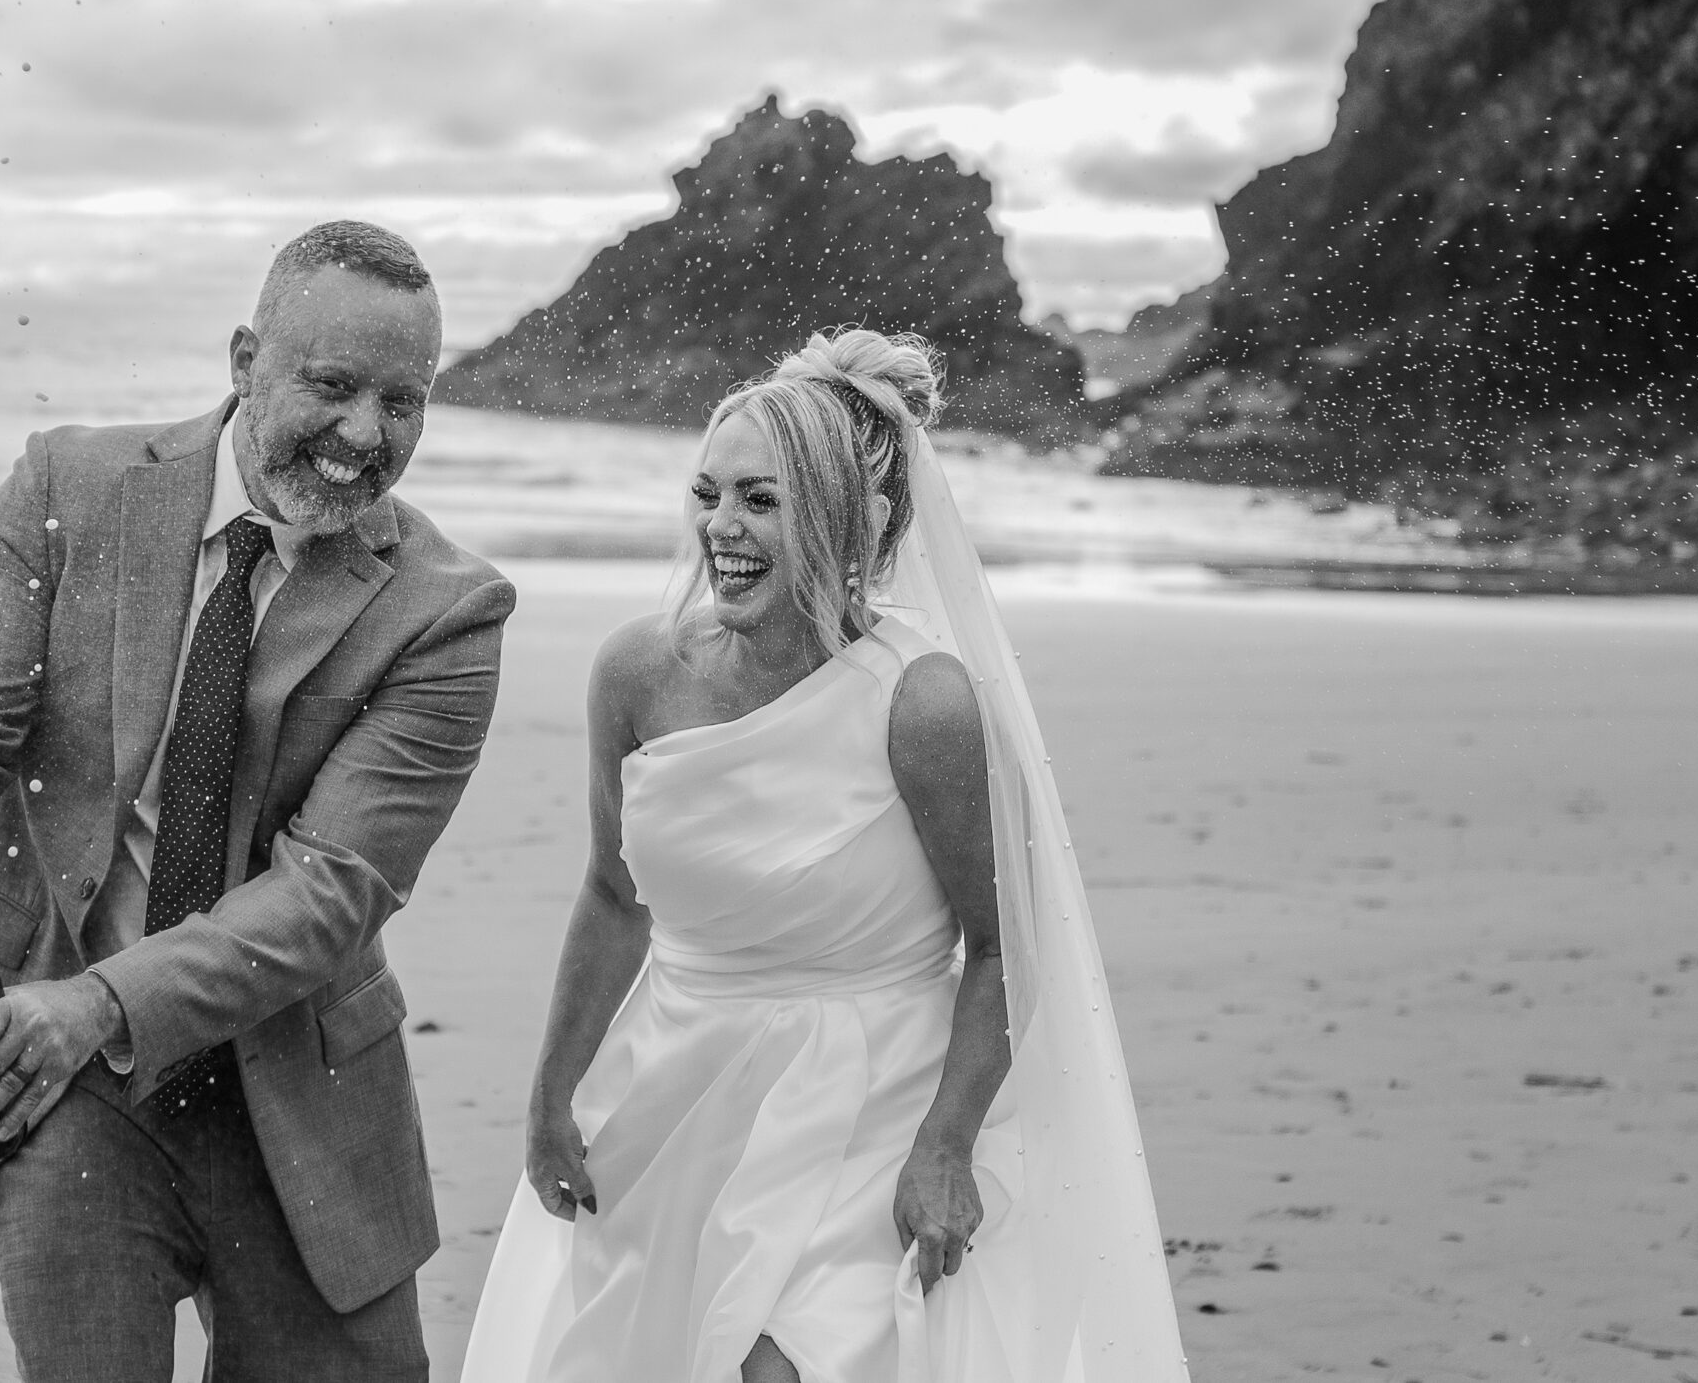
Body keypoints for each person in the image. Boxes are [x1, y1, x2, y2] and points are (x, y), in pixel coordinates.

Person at [0, 220, 516, 1382]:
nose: (365, 435)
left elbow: (330, 896)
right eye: (331, 385)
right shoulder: (67, 485)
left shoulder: (447, 610)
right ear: (242, 359)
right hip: (64, 1085)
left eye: (403, 401)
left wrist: (103, 1002)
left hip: (299, 1090)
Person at [461, 330, 1188, 1382]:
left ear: (851, 521)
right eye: (707, 494)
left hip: (871, 1097)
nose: (722, 528)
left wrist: (946, 1144)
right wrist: (548, 1099)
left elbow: (998, 948)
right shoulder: (634, 673)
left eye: (761, 499)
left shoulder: (921, 702)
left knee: (777, 1365)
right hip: (674, 1091)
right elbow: (613, 897)